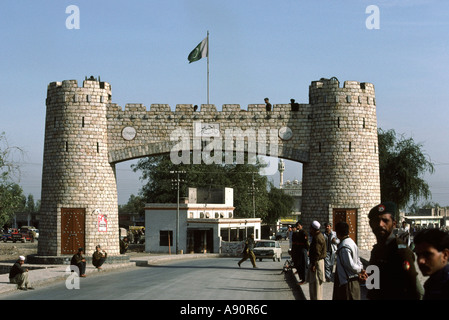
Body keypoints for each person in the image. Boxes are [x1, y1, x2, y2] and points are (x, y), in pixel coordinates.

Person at [367, 202, 423, 300]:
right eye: (376, 221)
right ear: (371, 224)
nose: (380, 224)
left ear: (393, 224)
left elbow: (416, 291)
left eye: (385, 221)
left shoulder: (400, 250)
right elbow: (373, 286)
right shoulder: (376, 250)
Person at [333, 222, 366, 300]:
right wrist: (361, 268)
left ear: (338, 233)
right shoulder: (351, 242)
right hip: (352, 280)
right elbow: (358, 260)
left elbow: (350, 265)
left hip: (348, 282)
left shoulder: (344, 247)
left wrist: (360, 270)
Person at [414, 228, 449, 299]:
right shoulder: (434, 282)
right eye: (418, 255)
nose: (420, 261)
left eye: (427, 254)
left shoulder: (445, 286)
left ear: (445, 255)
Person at [308, 221, 326, 300]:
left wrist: (314, 264)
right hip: (318, 262)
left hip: (317, 263)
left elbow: (317, 253)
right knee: (316, 287)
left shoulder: (317, 238)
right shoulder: (319, 236)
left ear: (313, 229)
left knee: (316, 287)